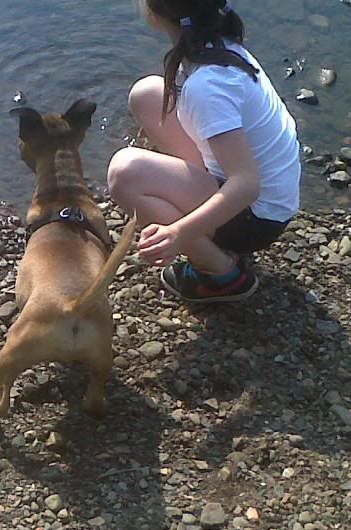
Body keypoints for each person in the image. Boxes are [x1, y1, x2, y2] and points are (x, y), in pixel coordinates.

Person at [107, 0, 300, 303]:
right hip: (266, 194)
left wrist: (179, 233)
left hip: (257, 219)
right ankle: (205, 222)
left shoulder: (207, 86)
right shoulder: (217, 41)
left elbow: (247, 185)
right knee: (147, 95)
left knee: (124, 173)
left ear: (159, 14)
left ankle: (223, 274)